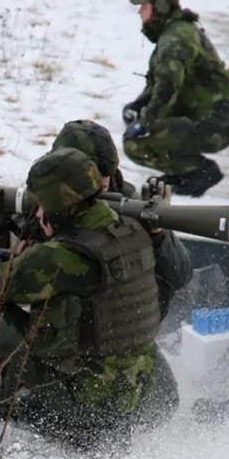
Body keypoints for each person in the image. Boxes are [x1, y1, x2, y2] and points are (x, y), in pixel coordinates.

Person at [0, 148, 178, 450]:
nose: (37, 214)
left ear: (62, 205)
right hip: (142, 393)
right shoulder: (133, 230)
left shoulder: (64, 255)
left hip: (89, 405)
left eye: (41, 205)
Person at [53, 119, 193, 317]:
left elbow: (180, 276)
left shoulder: (127, 202)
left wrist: (158, 232)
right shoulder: (44, 197)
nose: (102, 183)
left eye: (105, 173)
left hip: (122, 326)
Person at [122, 0, 229, 197]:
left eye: (144, 6)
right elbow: (159, 83)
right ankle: (182, 171)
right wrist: (139, 105)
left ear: (160, 8)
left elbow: (168, 86)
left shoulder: (175, 39)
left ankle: (198, 172)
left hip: (214, 124)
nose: (140, 12)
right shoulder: (176, 33)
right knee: (144, 131)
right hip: (211, 117)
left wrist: (146, 122)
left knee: (135, 143)